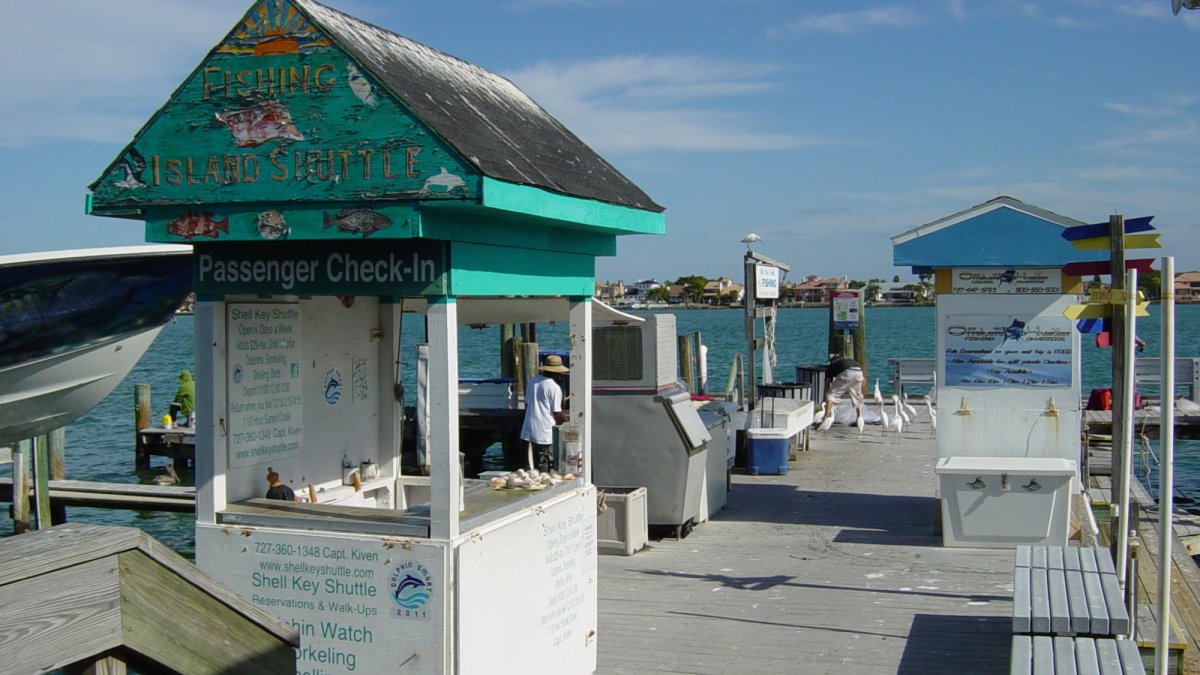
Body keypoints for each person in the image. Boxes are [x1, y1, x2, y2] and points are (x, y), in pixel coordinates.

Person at [520, 355, 569, 472]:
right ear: (557, 373)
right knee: (545, 463)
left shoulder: (532, 381)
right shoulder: (554, 387)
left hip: (528, 429)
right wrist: (568, 421)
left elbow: (527, 402)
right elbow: (557, 412)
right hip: (544, 432)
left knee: (530, 465)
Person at [823, 353, 864, 424]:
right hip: (859, 372)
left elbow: (827, 382)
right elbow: (864, 380)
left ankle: (826, 418)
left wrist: (825, 397)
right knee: (857, 397)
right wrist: (861, 393)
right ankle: (859, 419)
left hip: (847, 372)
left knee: (830, 395)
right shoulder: (848, 360)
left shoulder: (831, 365)